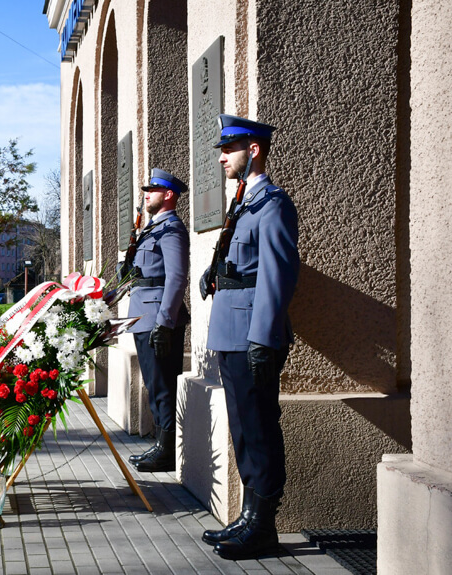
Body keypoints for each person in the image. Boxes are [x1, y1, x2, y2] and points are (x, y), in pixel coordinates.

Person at [199, 114, 299, 560]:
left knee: (258, 429)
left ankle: (264, 527)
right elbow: (241, 262)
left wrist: (263, 339)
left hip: (251, 337)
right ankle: (248, 517)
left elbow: (277, 277)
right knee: (242, 428)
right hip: (231, 332)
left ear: (253, 150)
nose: (222, 158)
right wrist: (213, 272)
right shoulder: (243, 203)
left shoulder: (273, 203)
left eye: (228, 149)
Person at [124, 168, 190, 473]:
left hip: (158, 320)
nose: (146, 194)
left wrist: (165, 322)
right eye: (146, 190)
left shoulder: (172, 229)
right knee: (154, 384)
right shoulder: (151, 230)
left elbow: (176, 278)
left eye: (153, 190)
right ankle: (162, 445)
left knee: (162, 386)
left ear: (169, 195)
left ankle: (167, 451)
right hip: (143, 316)